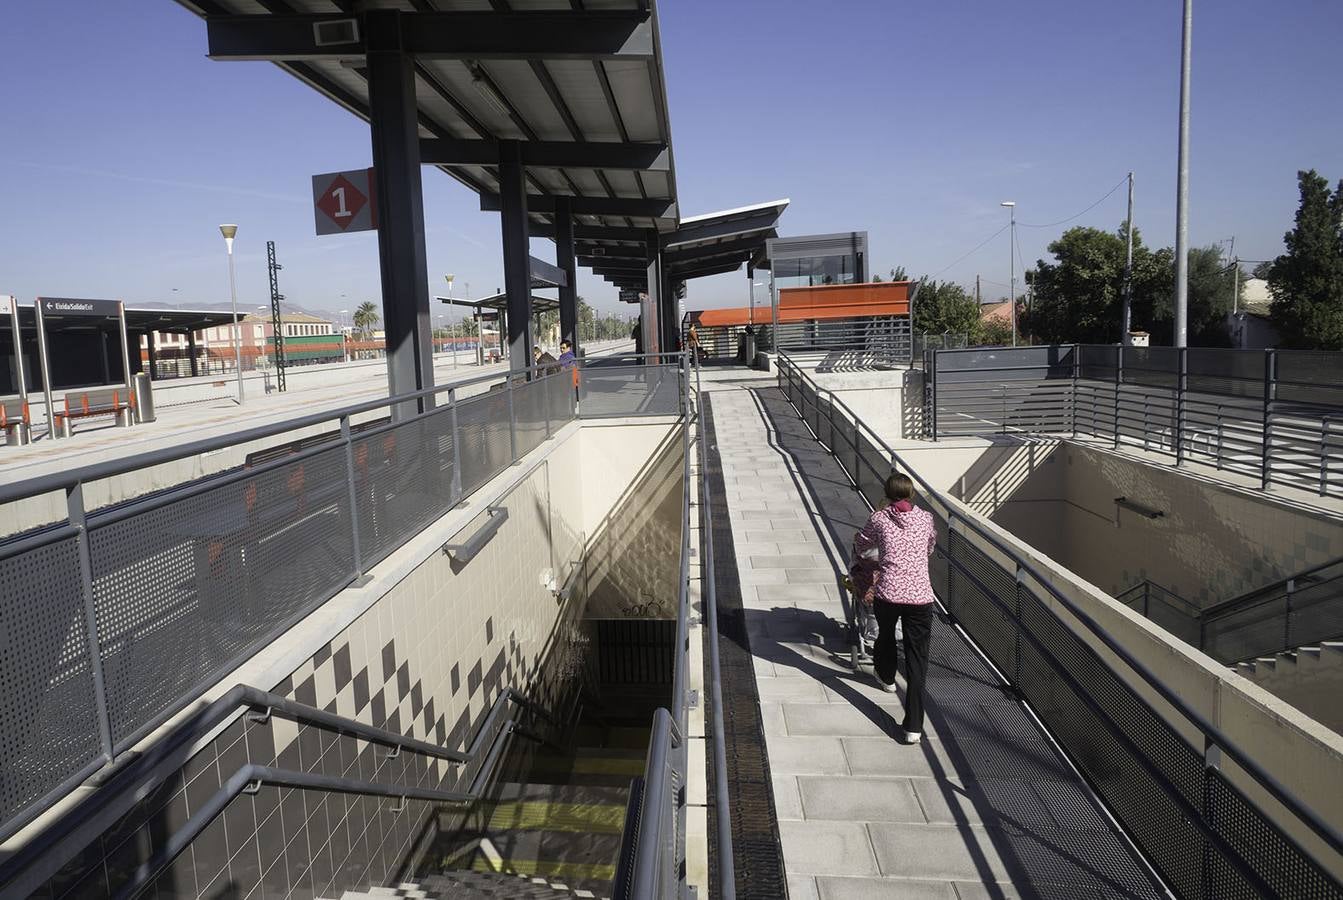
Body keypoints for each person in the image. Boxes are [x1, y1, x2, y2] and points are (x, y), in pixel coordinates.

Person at [850, 472, 936, 745]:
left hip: (888, 592)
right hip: (921, 597)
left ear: (886, 494)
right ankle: (913, 727)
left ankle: (886, 677)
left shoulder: (878, 518)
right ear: (911, 495)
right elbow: (930, 547)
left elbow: (862, 544)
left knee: (885, 635)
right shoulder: (926, 519)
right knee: (916, 661)